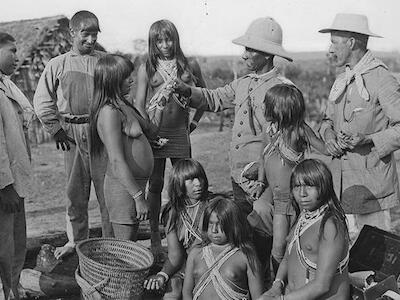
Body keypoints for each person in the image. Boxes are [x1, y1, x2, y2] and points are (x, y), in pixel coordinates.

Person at [174, 17, 293, 284]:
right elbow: (214, 98)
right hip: (239, 177)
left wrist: (265, 181)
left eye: (251, 50)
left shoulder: (282, 90)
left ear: (267, 54)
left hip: (266, 181)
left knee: (268, 236)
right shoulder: (243, 83)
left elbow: (282, 142)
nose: (245, 55)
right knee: (244, 236)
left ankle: (271, 287)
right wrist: (186, 90)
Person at [33, 10, 113, 259]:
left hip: (101, 130)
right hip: (71, 133)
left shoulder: (105, 61)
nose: (90, 40)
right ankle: (76, 242)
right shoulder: (58, 64)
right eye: (85, 34)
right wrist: (55, 129)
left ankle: (112, 244)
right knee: (75, 193)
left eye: (94, 35)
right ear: (72, 33)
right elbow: (42, 100)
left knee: (107, 191)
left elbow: (123, 94)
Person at [318, 13, 400, 240]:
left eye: (335, 41)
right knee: (344, 255)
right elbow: (326, 120)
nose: (330, 48)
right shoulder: (341, 80)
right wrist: (328, 136)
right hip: (339, 187)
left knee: (374, 256)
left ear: (351, 43)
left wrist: (370, 139)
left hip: (371, 190)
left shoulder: (382, 79)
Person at [135, 19, 207, 261]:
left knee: (185, 184)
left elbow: (204, 96)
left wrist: (195, 121)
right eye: (159, 40)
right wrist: (148, 132)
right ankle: (156, 237)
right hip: (155, 134)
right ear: (153, 42)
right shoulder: (147, 67)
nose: (165, 45)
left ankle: (187, 231)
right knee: (155, 185)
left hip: (179, 134)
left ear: (176, 39)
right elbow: (138, 104)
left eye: (169, 39)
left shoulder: (188, 65)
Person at [255, 84, 329, 273]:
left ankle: (283, 282)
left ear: (280, 109)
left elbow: (324, 148)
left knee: (281, 246)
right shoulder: (268, 129)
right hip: (273, 194)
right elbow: (263, 157)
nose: (262, 108)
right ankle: (277, 281)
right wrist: (260, 181)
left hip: (288, 200)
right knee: (272, 239)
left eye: (266, 104)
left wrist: (337, 140)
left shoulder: (298, 131)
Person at [259, 159, 350, 300]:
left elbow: (322, 285)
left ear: (324, 186)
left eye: (309, 185)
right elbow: (288, 256)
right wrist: (277, 285)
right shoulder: (304, 216)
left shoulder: (331, 225)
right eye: (297, 186)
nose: (302, 193)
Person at [89, 54, 156, 240]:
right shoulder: (109, 112)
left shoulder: (122, 105)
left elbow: (149, 130)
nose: (132, 80)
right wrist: (138, 197)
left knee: (130, 247)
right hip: (124, 188)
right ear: (112, 81)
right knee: (125, 250)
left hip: (134, 185)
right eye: (126, 77)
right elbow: (117, 160)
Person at [144, 159, 210, 299]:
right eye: (190, 180)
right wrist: (162, 275)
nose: (198, 183)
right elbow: (175, 255)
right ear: (179, 183)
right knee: (172, 289)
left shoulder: (214, 205)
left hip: (215, 264)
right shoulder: (172, 212)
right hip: (188, 267)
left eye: (200, 178)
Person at [0, 32, 34, 300]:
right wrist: (5, 185)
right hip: (5, 183)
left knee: (15, 239)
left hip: (15, 179)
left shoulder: (7, 85)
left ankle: (14, 288)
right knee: (4, 244)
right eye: (12, 51)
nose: (17, 56)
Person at [183, 196, 263, 300]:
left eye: (220, 224)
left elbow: (259, 297)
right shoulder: (195, 254)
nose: (214, 230)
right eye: (211, 224)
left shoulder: (245, 256)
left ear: (233, 225)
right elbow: (187, 293)